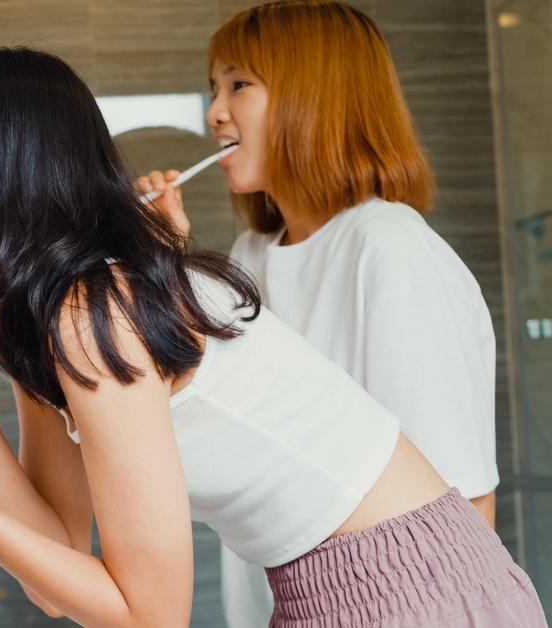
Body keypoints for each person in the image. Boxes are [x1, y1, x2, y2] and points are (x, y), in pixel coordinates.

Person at [0, 48, 543, 627]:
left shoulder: (91, 310)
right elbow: (54, 561)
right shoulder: (49, 313)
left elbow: (150, 615)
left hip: (412, 589)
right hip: (348, 584)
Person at [137, 3, 501, 625]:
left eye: (238, 84)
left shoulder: (387, 248)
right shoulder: (251, 255)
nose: (214, 111)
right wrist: (164, 258)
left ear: (317, 96)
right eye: (213, 88)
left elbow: (462, 501)